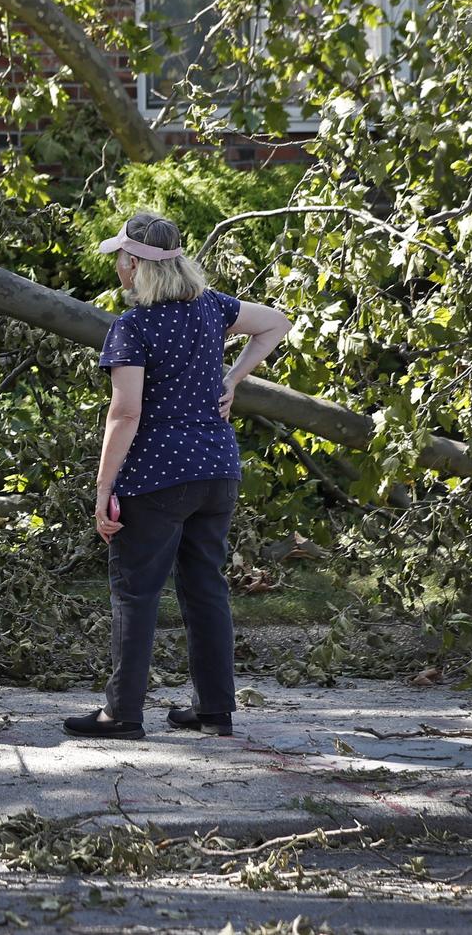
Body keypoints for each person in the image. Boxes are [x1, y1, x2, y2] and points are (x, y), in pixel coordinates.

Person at [64, 212, 293, 741]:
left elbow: (125, 414)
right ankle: (214, 709)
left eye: (122, 256)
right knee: (206, 589)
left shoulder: (133, 327)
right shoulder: (212, 309)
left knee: (136, 593)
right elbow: (276, 322)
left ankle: (122, 713)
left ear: (135, 264)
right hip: (217, 471)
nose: (118, 265)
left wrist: (103, 489)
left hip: (157, 478)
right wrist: (232, 379)